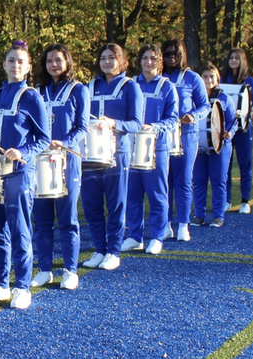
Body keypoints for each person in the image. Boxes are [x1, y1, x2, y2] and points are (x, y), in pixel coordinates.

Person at [0, 40, 51, 309]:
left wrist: (22, 151)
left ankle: (22, 286)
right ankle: (0, 285)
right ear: (4, 64)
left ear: (28, 67)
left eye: (21, 62)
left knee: (19, 230)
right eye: (11, 60)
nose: (15, 65)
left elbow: (44, 139)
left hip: (19, 172)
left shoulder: (32, 97)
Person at [80, 42, 142, 271]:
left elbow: (136, 123)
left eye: (112, 57)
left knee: (116, 204)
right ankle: (99, 249)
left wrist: (113, 123)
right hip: (89, 155)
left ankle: (113, 251)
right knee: (91, 204)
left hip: (117, 154)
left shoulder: (130, 86)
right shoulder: (89, 86)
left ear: (121, 60)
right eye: (103, 58)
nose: (107, 62)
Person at [32, 43, 89, 290]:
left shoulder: (79, 90)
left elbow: (82, 127)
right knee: (41, 219)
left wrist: (64, 142)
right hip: (40, 160)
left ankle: (70, 270)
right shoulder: (36, 91)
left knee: (68, 218)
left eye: (58, 60)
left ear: (67, 62)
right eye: (49, 61)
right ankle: (45, 269)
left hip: (67, 161)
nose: (54, 64)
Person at [122, 44, 179, 255]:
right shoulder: (130, 84)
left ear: (160, 61)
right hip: (131, 146)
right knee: (132, 194)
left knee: (157, 194)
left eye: (153, 58)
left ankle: (157, 236)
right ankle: (135, 236)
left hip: (157, 147)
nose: (148, 62)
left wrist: (154, 127)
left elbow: (173, 119)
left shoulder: (167, 86)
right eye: (145, 58)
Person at [161, 39, 210, 242]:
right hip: (162, 134)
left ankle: (183, 224)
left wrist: (193, 115)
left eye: (176, 53)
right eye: (167, 53)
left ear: (182, 55)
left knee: (183, 180)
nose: (171, 57)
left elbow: (205, 105)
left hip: (186, 135)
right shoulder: (157, 78)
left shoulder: (192, 78)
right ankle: (165, 224)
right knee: (163, 181)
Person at [191, 62, 238, 228]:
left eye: (212, 76)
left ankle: (218, 216)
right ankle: (199, 215)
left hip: (220, 146)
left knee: (218, 181)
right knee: (198, 181)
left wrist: (229, 133)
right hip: (199, 146)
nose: (208, 79)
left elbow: (233, 121)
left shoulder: (224, 98)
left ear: (217, 79)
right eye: (205, 76)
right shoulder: (195, 97)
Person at [223, 47, 253, 214]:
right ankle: (226, 200)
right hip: (226, 129)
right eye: (231, 57)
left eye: (237, 58)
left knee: (245, 165)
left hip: (243, 129)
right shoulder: (223, 79)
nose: (233, 60)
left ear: (243, 60)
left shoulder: (250, 81)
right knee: (225, 166)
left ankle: (245, 200)